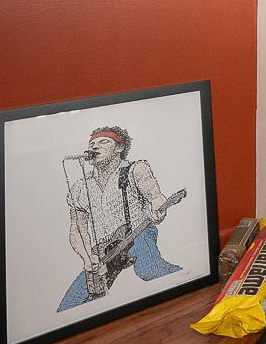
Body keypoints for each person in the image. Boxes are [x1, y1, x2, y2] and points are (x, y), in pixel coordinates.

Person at [57, 125, 181, 311]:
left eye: (103, 141)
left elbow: (155, 195)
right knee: (71, 303)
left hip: (137, 234)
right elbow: (77, 228)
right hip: (104, 251)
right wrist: (87, 258)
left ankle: (188, 278)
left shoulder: (134, 169)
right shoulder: (80, 188)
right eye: (92, 144)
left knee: (149, 270)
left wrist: (158, 206)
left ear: (120, 147)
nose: (94, 147)